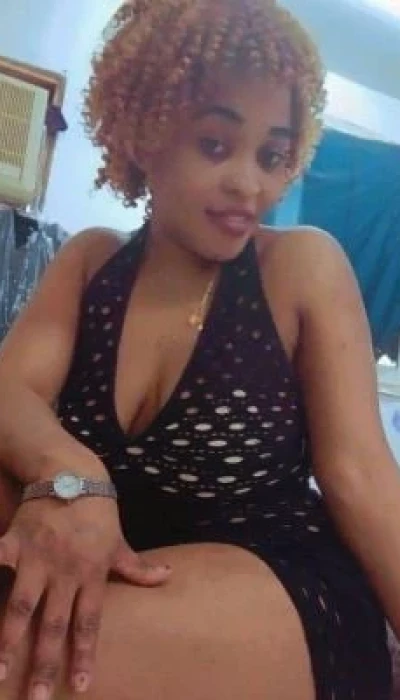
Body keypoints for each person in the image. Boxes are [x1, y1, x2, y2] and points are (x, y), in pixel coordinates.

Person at [0, 0, 397, 698]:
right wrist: (71, 470)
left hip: (277, 580)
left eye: (272, 156)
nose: (250, 184)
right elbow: (10, 393)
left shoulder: (300, 266)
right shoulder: (91, 264)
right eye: (216, 145)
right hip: (136, 568)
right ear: (144, 131)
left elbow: (361, 479)